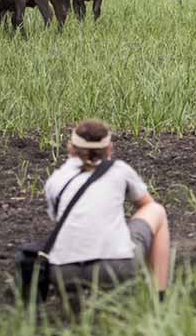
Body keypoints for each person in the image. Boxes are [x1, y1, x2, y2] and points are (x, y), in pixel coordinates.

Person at [44, 119, 169, 298]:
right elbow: (147, 204)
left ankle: (76, 301)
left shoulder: (55, 180)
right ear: (109, 148)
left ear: (71, 148)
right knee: (156, 211)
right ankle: (159, 296)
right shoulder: (119, 171)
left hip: (62, 271)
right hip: (116, 266)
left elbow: (59, 219)